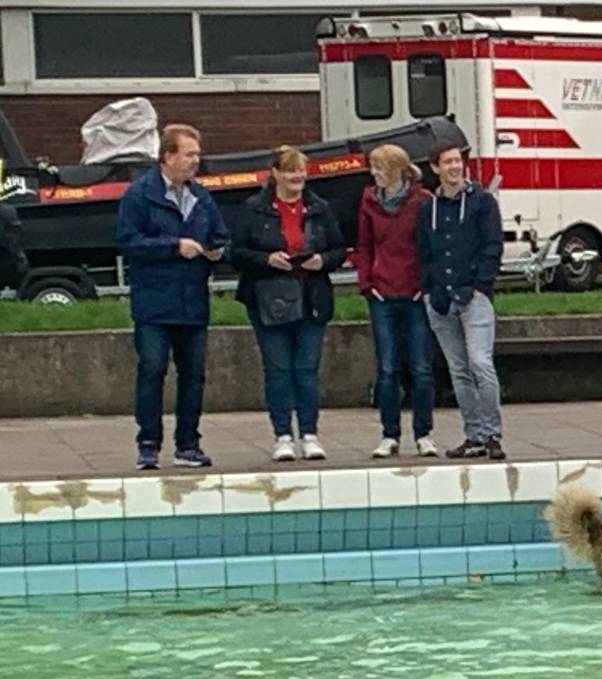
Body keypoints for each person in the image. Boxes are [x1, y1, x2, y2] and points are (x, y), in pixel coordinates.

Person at [116, 123, 224, 470]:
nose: (196, 160)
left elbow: (221, 234)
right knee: (152, 370)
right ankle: (148, 443)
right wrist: (174, 246)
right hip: (154, 303)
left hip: (193, 301)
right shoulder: (139, 195)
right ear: (168, 157)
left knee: (194, 375)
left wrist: (219, 250)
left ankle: (188, 444)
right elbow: (128, 243)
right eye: (189, 154)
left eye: (197, 154)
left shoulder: (202, 196)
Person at [231, 146, 344, 463]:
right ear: (276, 173)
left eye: (302, 171)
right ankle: (282, 435)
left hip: (312, 299)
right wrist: (266, 259)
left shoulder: (319, 209)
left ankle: (309, 434)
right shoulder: (255, 208)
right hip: (268, 300)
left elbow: (339, 249)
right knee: (278, 370)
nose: (298, 177)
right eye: (291, 170)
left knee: (307, 370)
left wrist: (322, 260)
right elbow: (236, 253)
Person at [418, 140, 504, 460]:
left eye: (458, 161)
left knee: (480, 362)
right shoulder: (429, 209)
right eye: (448, 162)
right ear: (436, 168)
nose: (455, 167)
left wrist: (481, 285)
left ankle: (492, 432)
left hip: (474, 294)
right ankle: (474, 434)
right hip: (440, 298)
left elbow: (492, 244)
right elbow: (424, 252)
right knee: (458, 369)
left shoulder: (482, 203)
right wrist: (429, 289)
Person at [353, 143, 436, 458]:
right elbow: (364, 244)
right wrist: (367, 282)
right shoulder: (369, 200)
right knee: (387, 368)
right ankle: (390, 434)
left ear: (397, 170)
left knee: (421, 367)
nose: (374, 174)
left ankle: (424, 433)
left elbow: (429, 247)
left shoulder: (422, 202)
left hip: (414, 293)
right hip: (382, 294)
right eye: (373, 168)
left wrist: (424, 284)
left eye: (380, 168)